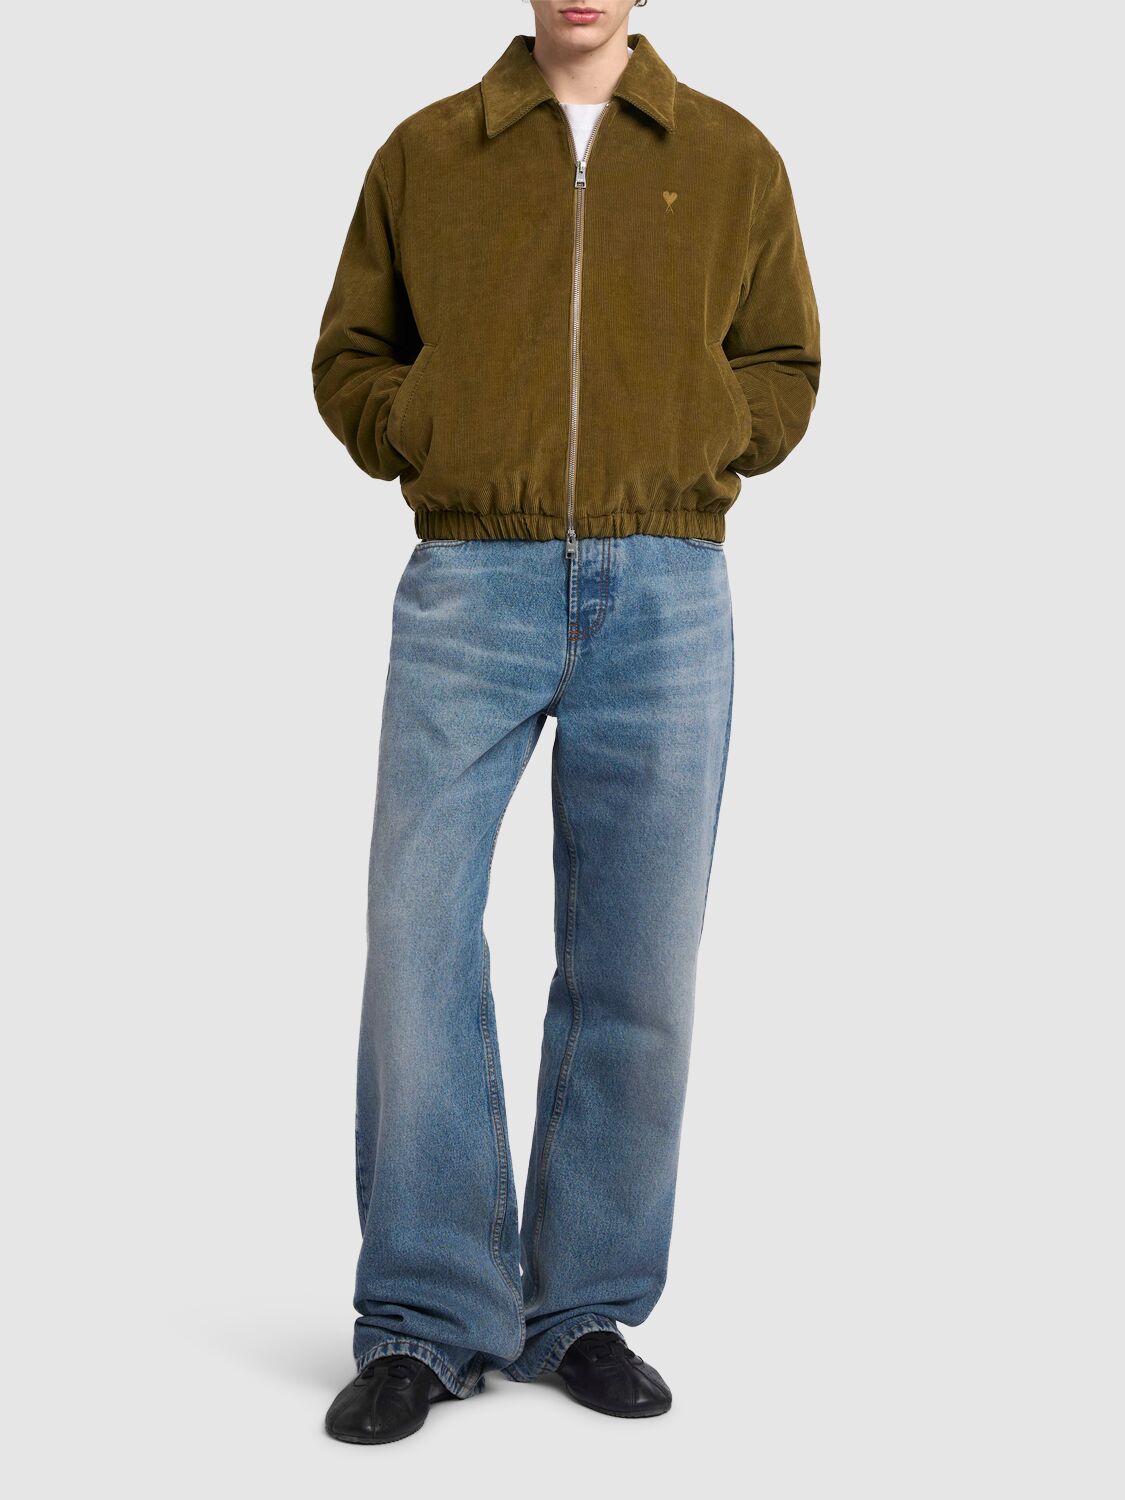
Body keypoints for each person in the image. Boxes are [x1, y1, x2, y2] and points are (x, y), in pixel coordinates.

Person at [311, 0, 820, 1444]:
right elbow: (351, 354)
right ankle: (425, 1316)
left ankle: (580, 1306)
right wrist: (428, 430)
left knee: (639, 957)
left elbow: (784, 364)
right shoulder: (427, 154)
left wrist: (705, 439)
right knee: (417, 935)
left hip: (669, 589)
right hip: (471, 581)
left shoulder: (729, 156)